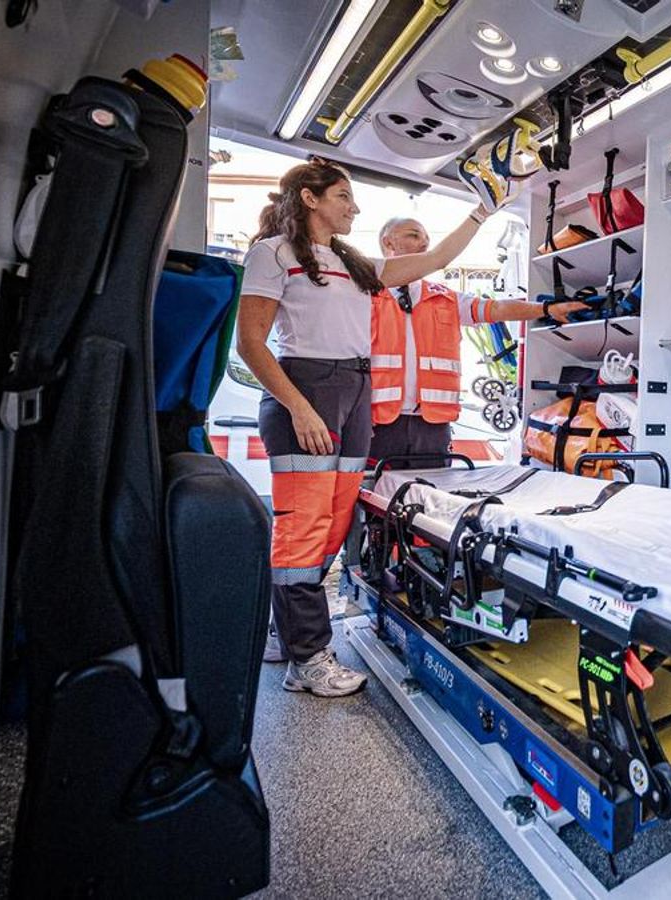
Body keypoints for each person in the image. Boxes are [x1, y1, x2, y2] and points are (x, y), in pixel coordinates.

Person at [237, 157, 494, 697]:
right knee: (303, 526)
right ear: (310, 198)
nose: (353, 208)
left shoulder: (353, 263)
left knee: (334, 525)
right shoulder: (274, 253)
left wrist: (482, 211)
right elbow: (252, 344)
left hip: (356, 389)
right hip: (306, 387)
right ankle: (307, 657)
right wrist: (298, 408)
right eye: (343, 197)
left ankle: (288, 630)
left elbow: (436, 259)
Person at [368, 217, 585, 462]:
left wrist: (545, 309)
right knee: (374, 486)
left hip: (432, 427)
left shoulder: (446, 299)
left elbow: (497, 309)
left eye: (427, 238)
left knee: (430, 486)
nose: (425, 243)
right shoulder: (363, 297)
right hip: (379, 423)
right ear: (388, 243)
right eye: (413, 235)